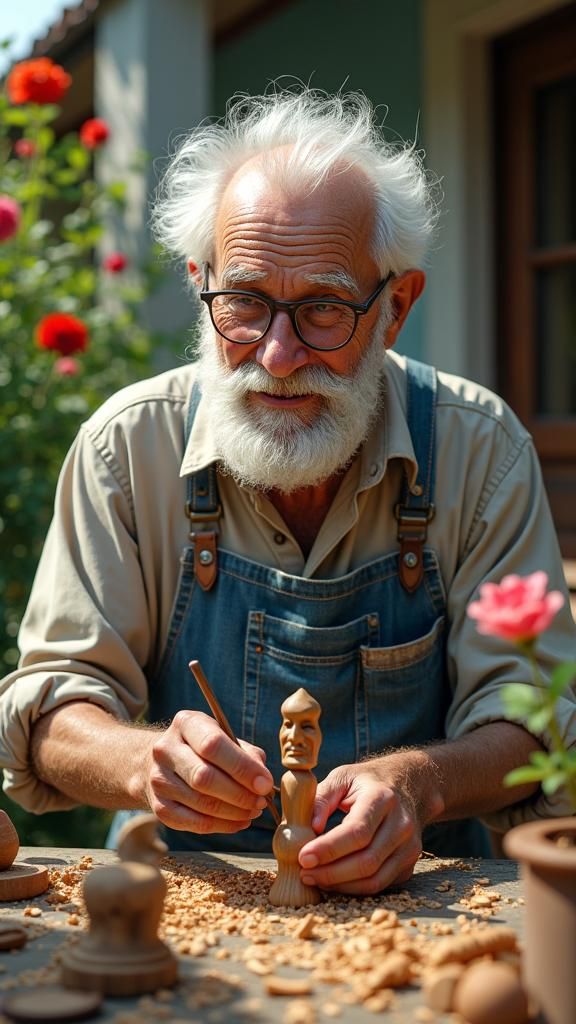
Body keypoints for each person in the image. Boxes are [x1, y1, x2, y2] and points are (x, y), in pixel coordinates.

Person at [1, 88, 575, 897]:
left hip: (436, 910)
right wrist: (143, 760)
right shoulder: (128, 445)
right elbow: (51, 707)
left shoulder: (479, 449)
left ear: (394, 308)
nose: (276, 354)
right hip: (184, 912)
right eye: (243, 302)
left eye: (322, 309)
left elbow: (538, 720)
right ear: (202, 285)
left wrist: (421, 782)